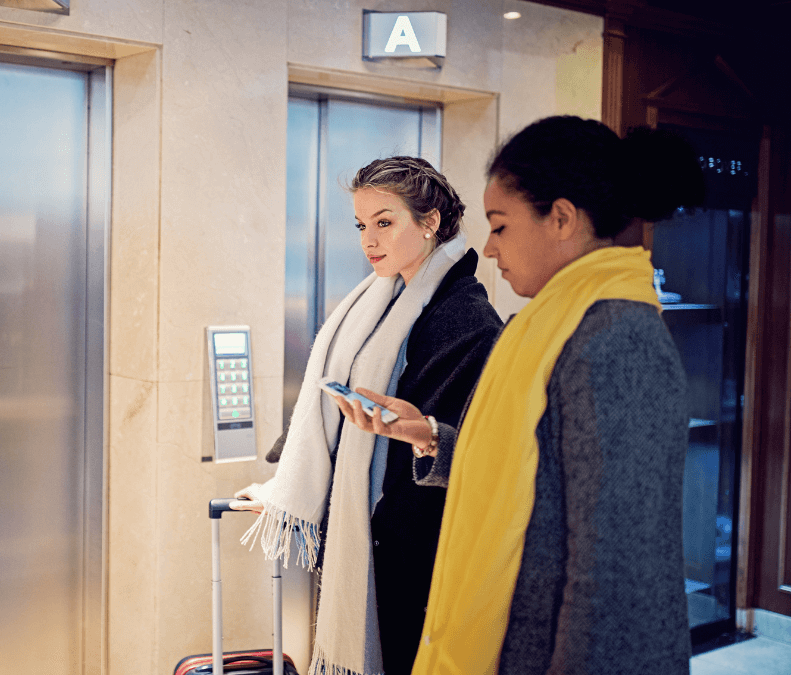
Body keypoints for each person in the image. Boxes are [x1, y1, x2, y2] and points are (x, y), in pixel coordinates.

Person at [338, 116, 705, 675]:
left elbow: (619, 573)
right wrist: (430, 435)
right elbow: (536, 472)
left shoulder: (617, 341)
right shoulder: (552, 324)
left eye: (502, 226)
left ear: (560, 218)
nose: (487, 248)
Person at [232, 157, 502, 675]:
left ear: (430, 223)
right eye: (361, 225)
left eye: (385, 221)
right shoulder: (378, 301)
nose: (368, 240)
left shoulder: (466, 316)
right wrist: (285, 483)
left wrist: (415, 430)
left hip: (418, 546)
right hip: (376, 535)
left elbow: (475, 448)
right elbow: (334, 411)